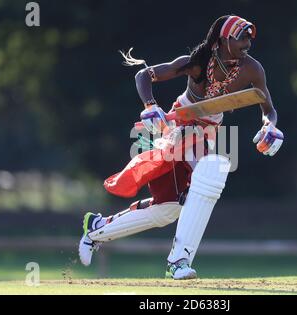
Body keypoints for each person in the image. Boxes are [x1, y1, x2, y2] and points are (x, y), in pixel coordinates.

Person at [78, 15, 284, 280]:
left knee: (168, 210)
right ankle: (177, 262)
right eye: (241, 38)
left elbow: (268, 109)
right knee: (212, 171)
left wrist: (270, 127)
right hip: (178, 128)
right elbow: (144, 75)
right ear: (224, 40)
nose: (247, 44)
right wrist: (150, 105)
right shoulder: (197, 63)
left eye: (249, 38)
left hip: (207, 133)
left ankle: (97, 228)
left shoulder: (252, 69)